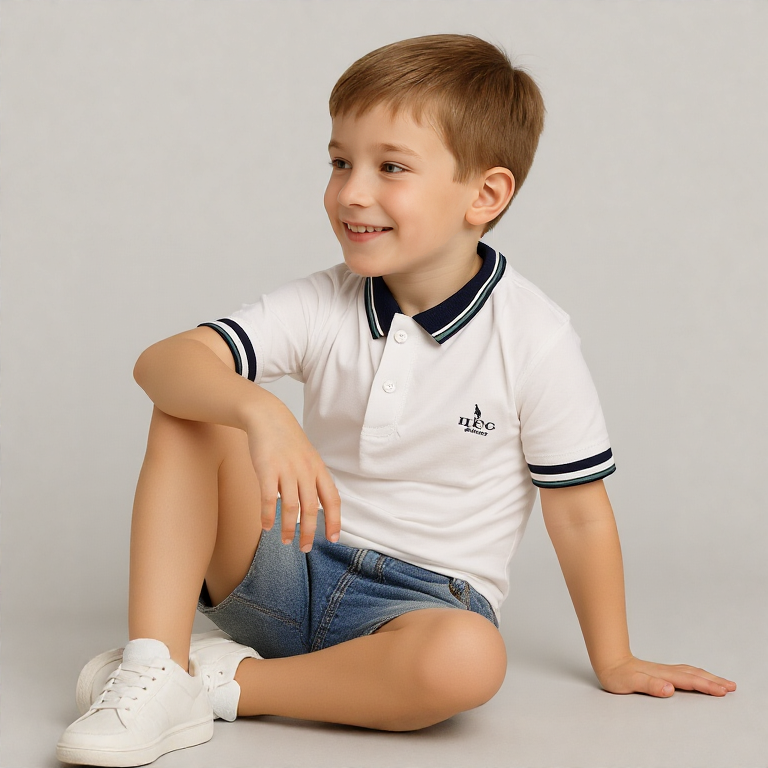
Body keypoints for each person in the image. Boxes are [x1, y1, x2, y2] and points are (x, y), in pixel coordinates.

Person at [56, 34, 736, 767]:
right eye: (339, 162)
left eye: (391, 168)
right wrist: (262, 411)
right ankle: (156, 664)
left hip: (418, 610)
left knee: (471, 661)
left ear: (485, 195)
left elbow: (578, 513)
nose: (351, 192)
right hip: (288, 561)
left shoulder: (535, 338)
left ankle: (224, 686)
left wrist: (616, 658)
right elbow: (162, 363)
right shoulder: (325, 300)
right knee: (193, 404)